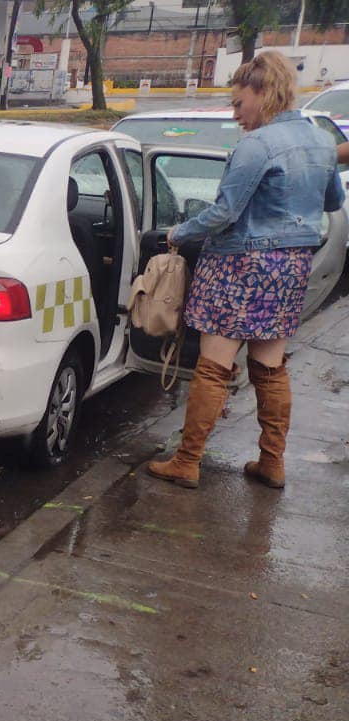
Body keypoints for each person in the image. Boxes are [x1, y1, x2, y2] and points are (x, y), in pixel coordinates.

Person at [148, 52, 344, 491]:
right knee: (271, 367)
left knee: (214, 367)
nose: (236, 113)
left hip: (240, 265)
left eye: (239, 103)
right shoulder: (318, 140)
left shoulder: (256, 145)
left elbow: (224, 212)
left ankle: (187, 460)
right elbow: (331, 203)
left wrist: (179, 231)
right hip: (291, 267)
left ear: (263, 92)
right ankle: (272, 462)